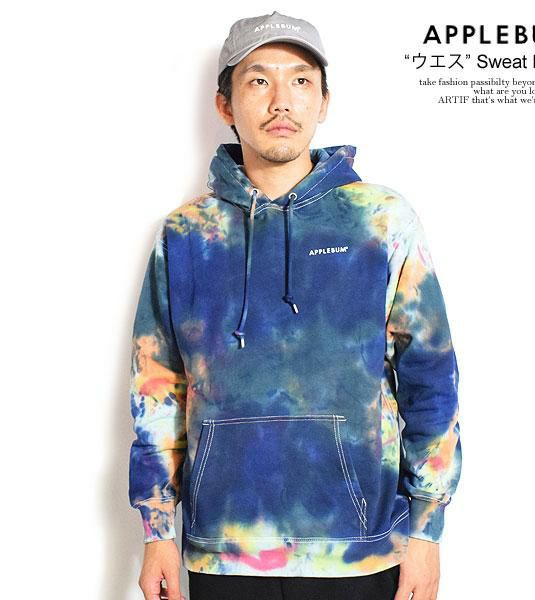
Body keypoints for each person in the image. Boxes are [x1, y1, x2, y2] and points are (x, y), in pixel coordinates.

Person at [128, 10, 462, 600]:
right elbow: (158, 387)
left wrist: (427, 530)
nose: (281, 100)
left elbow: (430, 379)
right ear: (225, 104)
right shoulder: (185, 235)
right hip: (223, 552)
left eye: (301, 80)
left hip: (359, 552)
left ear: (324, 101)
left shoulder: (381, 221)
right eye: (259, 80)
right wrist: (158, 530)